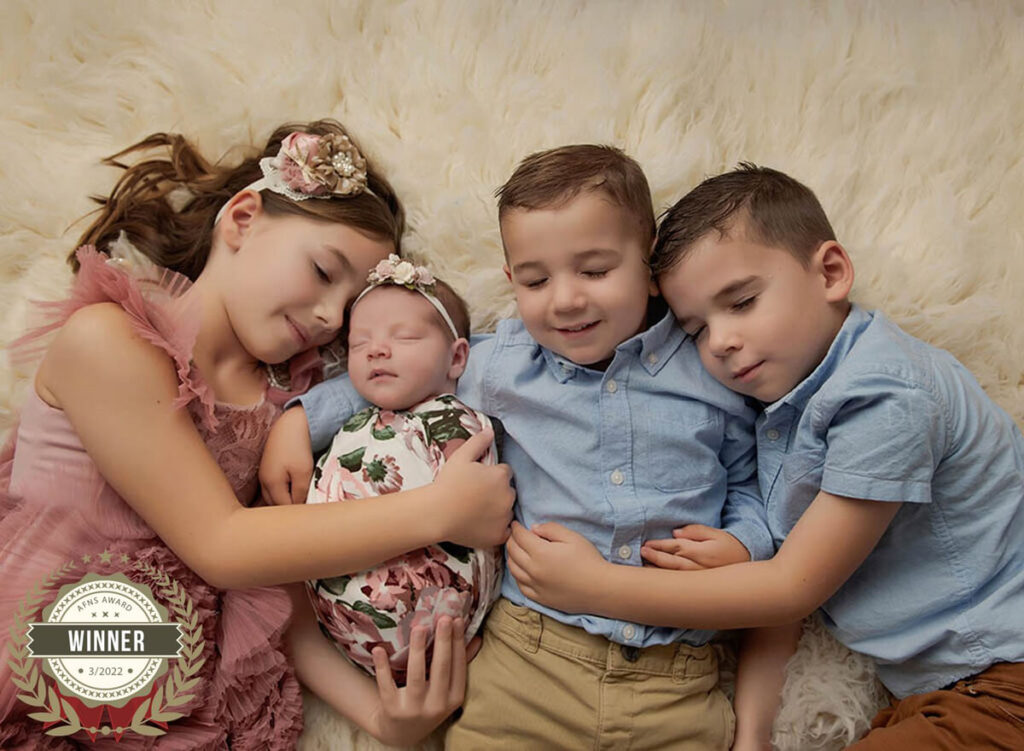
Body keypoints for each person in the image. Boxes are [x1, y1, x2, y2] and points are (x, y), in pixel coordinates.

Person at [0, 121, 514, 749]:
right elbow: (223, 544)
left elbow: (274, 588)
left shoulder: (280, 406)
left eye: (349, 309)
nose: (330, 318)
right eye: (324, 271)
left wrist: (381, 718)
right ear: (242, 219)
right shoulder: (108, 342)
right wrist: (438, 511)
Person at [260, 145, 774, 749]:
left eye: (595, 271)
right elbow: (405, 366)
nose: (565, 300)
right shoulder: (500, 365)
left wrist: (744, 542)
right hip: (528, 657)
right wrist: (299, 420)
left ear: (650, 265)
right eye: (536, 280)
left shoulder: (710, 367)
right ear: (511, 281)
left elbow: (751, 479)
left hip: (677, 675)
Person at [507, 163, 1024, 750]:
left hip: (1004, 679)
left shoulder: (887, 395)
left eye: (743, 302)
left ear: (830, 272)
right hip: (938, 696)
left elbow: (789, 589)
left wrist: (594, 586)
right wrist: (752, 738)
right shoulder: (781, 411)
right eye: (696, 328)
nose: (721, 341)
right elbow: (781, 597)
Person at [294, 255, 501, 687]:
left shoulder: (449, 418)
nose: (376, 350)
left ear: (458, 357)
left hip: (430, 620)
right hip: (339, 630)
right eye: (358, 343)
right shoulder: (353, 425)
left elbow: (473, 509)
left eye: (404, 337)